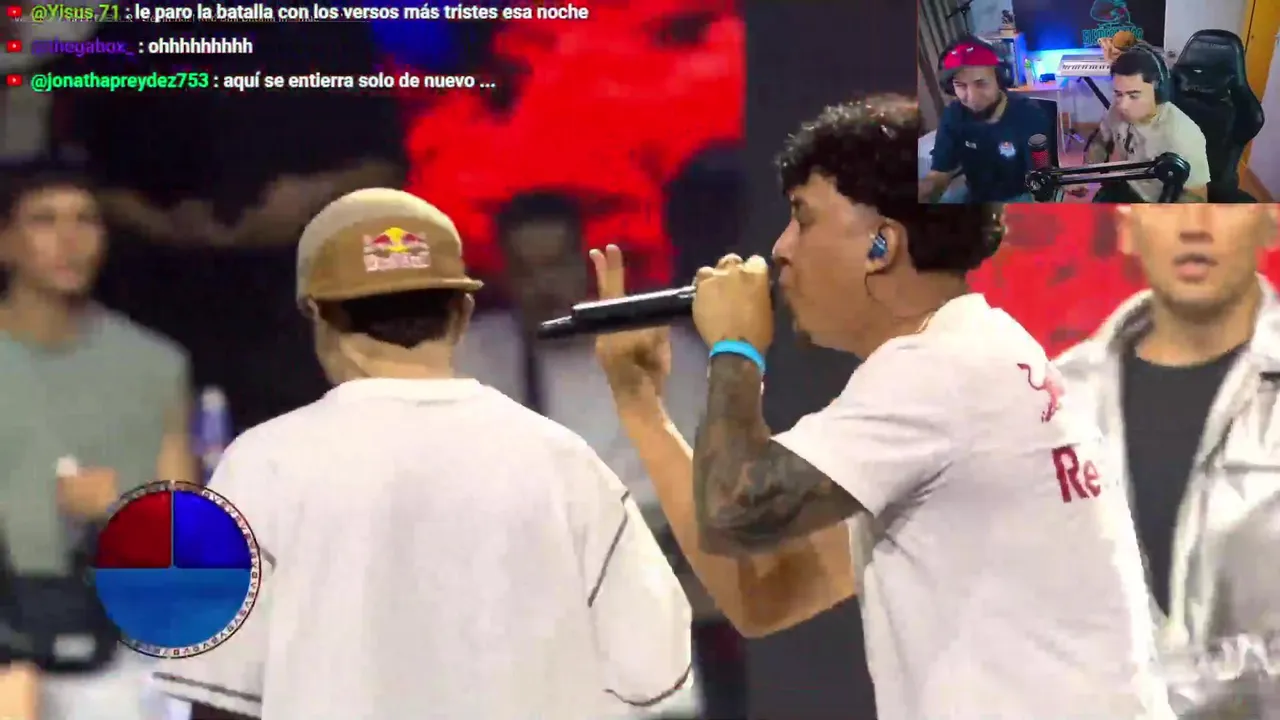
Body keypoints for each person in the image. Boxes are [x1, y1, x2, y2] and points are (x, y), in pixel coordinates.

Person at [589, 94, 1174, 718]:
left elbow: (735, 509)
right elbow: (765, 596)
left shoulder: (939, 372)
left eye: (803, 218)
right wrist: (641, 405)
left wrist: (735, 346)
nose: (779, 249)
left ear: (881, 244)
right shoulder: (971, 359)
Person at [152, 188, 692, 719]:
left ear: (316, 315)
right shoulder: (565, 462)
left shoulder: (259, 465)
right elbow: (654, 668)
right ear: (462, 313)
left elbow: (217, 697)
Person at [73, 17, 405, 436]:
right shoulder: (121, 37)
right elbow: (72, 176)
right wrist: (160, 224)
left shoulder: (331, 33)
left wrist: (310, 198)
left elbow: (387, 165)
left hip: (300, 308)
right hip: (154, 303)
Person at [1055, 203, 1280, 717]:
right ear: (1126, 226)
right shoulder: (1054, 405)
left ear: (1271, 221)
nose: (1194, 225)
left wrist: (1168, 694)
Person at [0, 162, 193, 718]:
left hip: (116, 641)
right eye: (44, 220)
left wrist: (118, 511)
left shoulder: (154, 364)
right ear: (6, 242)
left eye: (86, 220)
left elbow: (185, 528)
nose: (69, 239)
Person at [918, 35, 1051, 204]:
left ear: (999, 79)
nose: (972, 98)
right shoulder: (953, 115)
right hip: (975, 196)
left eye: (981, 83)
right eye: (961, 85)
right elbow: (940, 172)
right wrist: (925, 191)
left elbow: (1039, 180)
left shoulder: (1029, 114)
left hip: (1018, 195)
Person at [1087, 45, 1210, 203]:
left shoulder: (1182, 135)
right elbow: (1100, 141)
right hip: (1126, 185)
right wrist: (1086, 173)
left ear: (1158, 93)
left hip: (1156, 203)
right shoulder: (1116, 109)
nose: (1122, 105)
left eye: (1133, 96)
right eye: (1118, 94)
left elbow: (1196, 199)